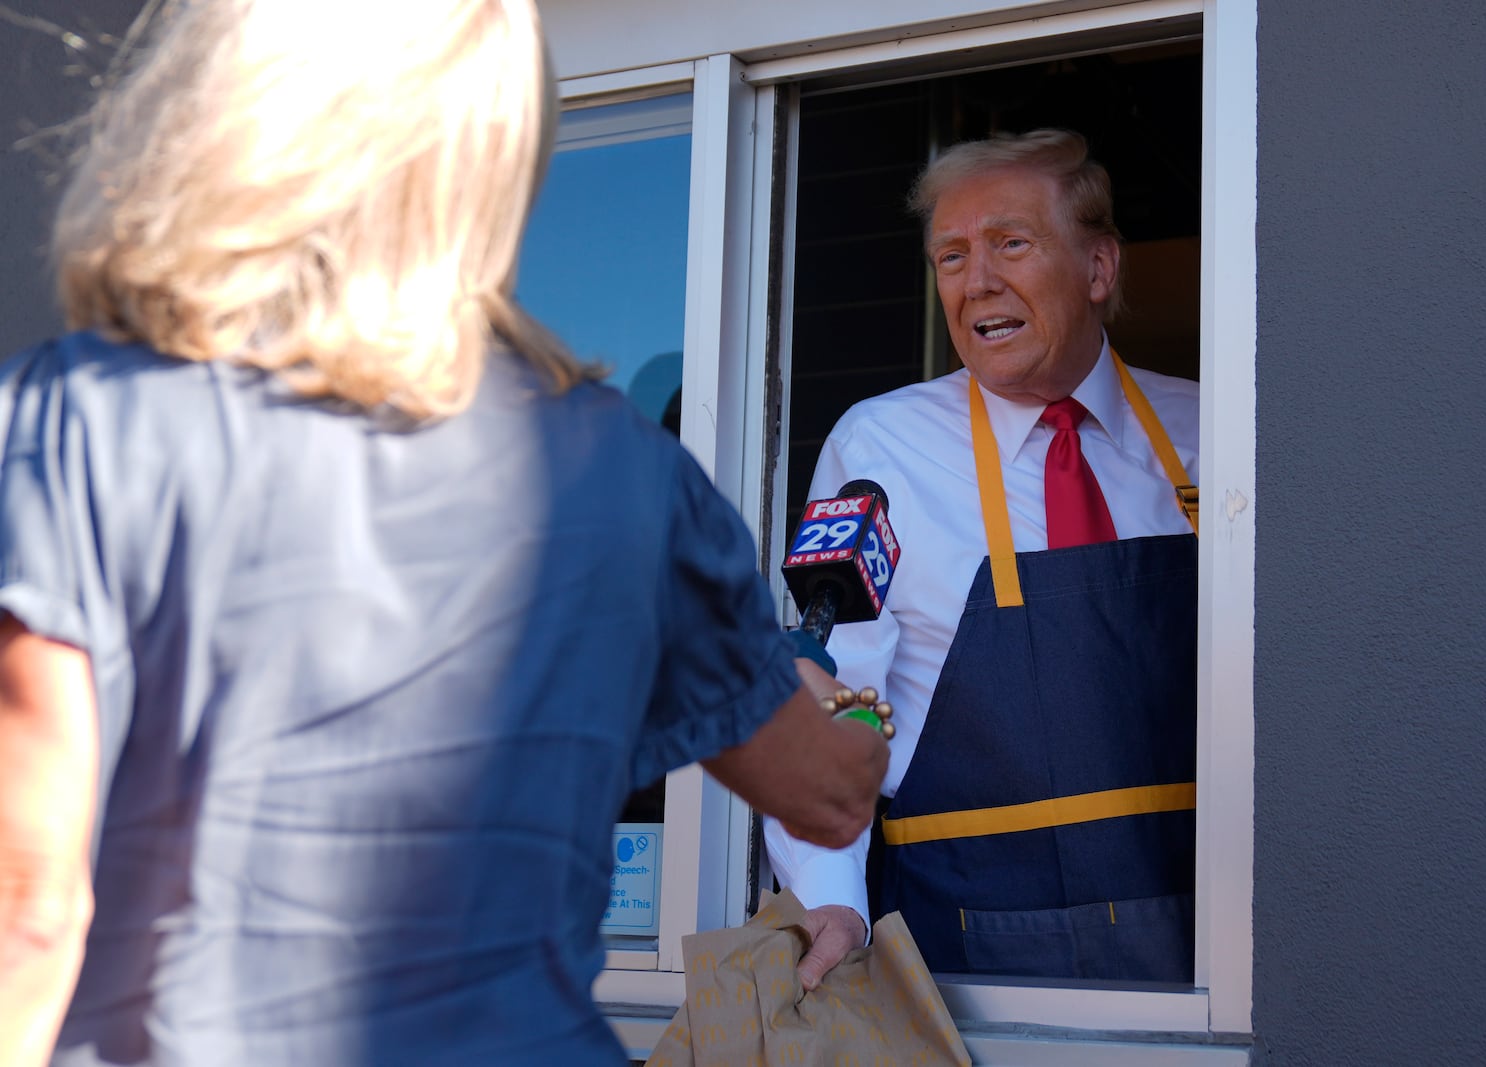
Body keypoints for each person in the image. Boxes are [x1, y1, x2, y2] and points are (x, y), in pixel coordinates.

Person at [0, 2, 888, 1065]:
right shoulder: (632, 474)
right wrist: (841, 689)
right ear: (495, 156)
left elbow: (27, 903)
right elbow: (833, 794)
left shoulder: (73, 422)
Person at [764, 129, 1200, 986]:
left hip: (1207, 949)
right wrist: (829, 892)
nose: (977, 282)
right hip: (972, 960)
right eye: (952, 255)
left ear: (1099, 268)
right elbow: (838, 689)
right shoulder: (879, 446)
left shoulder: (1212, 430)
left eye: (1011, 243)